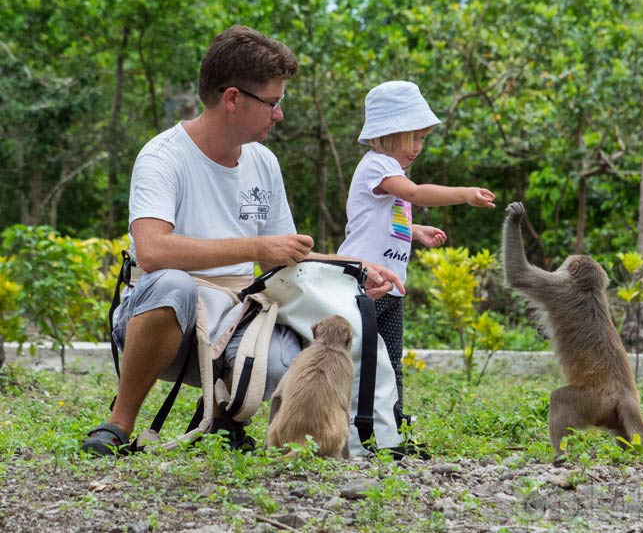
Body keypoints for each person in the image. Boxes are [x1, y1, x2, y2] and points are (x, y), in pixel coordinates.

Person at [82, 26, 403, 456]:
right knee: (172, 283)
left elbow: (286, 255)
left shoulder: (264, 162)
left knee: (291, 360)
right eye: (272, 103)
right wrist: (255, 248)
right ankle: (119, 423)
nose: (279, 114)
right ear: (233, 99)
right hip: (163, 320)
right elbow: (154, 250)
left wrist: (354, 269)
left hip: (234, 320)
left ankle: (224, 418)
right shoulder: (163, 156)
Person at [338, 81, 495, 422]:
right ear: (388, 134)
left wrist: (415, 231)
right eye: (414, 137)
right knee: (359, 357)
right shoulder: (377, 166)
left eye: (422, 138)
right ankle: (353, 421)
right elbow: (416, 194)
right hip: (365, 284)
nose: (419, 147)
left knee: (392, 359)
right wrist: (464, 193)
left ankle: (392, 423)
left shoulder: (390, 171)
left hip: (392, 287)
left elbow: (382, 221)